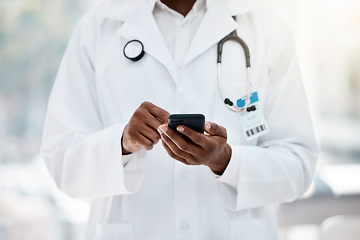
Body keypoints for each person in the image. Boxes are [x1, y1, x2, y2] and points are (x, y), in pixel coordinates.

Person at [41, 0, 318, 239]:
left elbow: (299, 163)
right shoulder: (97, 29)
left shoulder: (267, 29)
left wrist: (226, 161)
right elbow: (62, 160)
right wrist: (122, 142)